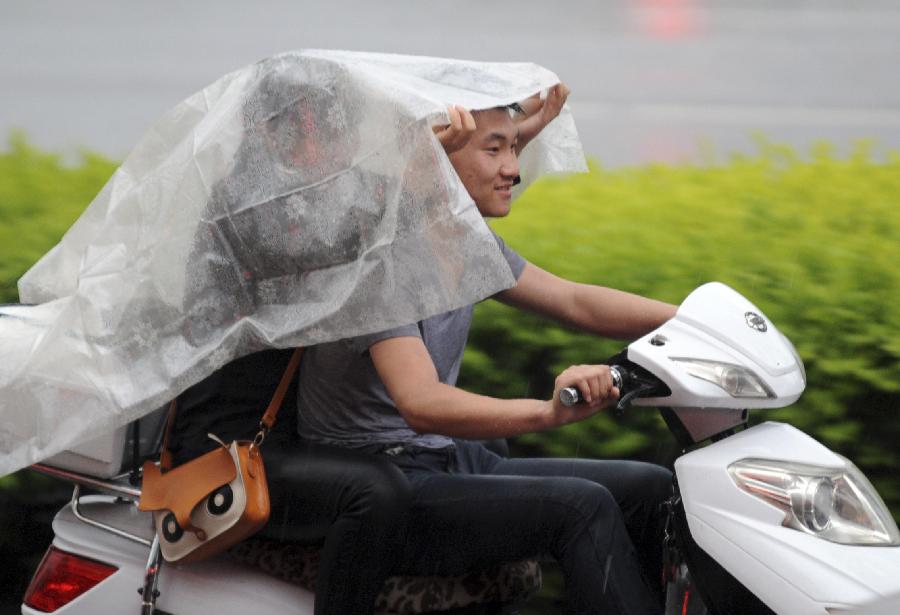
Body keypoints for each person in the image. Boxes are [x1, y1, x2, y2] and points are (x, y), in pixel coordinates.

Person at [295, 84, 677, 615]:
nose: (514, 170)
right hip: (383, 483)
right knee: (580, 507)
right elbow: (421, 402)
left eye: (514, 148)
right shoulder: (380, 259)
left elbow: (574, 301)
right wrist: (547, 413)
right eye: (494, 150)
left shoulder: (463, 242)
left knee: (652, 488)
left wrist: (694, 319)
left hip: (442, 461)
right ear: (432, 160)